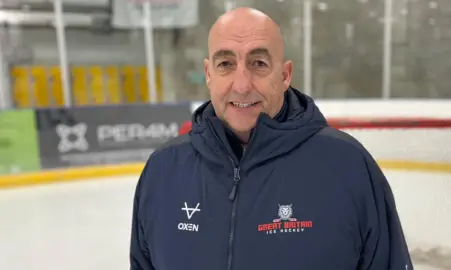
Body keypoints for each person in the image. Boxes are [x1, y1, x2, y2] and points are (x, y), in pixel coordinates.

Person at [129, 7, 413, 270]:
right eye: (226, 63)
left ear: (285, 74)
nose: (241, 85)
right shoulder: (162, 172)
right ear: (208, 74)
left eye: (259, 63)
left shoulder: (349, 167)